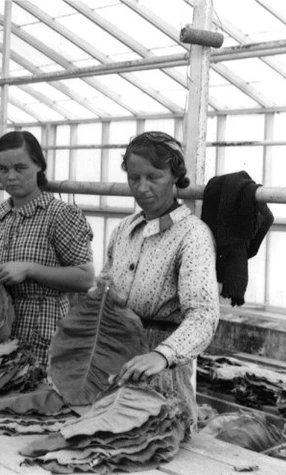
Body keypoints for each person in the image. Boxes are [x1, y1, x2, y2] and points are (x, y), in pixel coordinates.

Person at [107, 131, 219, 433]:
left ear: (175, 176)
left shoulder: (192, 235)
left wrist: (162, 355)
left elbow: (203, 315)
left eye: (153, 177)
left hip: (164, 377)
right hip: (116, 361)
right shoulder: (123, 230)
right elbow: (108, 286)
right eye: (134, 178)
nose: (141, 187)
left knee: (154, 440)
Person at [0, 131, 95, 364]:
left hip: (43, 338)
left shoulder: (60, 215)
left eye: (20, 168)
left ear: (39, 165)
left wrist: (30, 269)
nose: (11, 177)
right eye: (3, 169)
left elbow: (86, 278)